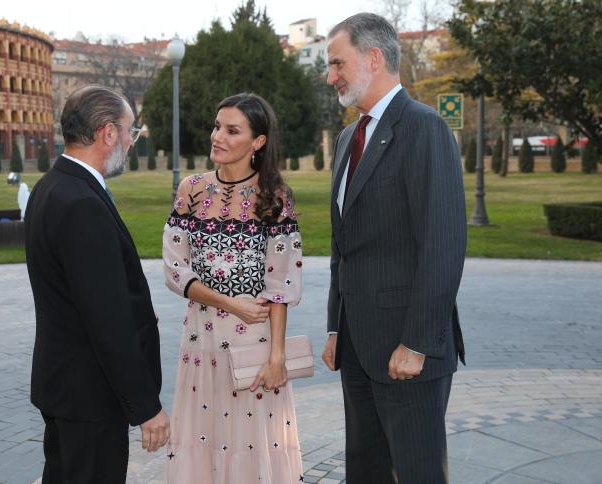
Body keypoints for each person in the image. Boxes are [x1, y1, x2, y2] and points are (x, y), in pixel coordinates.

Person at [321, 13, 467, 484]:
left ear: (374, 57)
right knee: (365, 473)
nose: (331, 76)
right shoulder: (347, 138)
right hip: (358, 348)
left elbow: (443, 243)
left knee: (418, 473)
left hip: (408, 351)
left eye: (337, 63)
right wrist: (334, 326)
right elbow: (344, 245)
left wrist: (418, 342)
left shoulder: (424, 128)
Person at [25, 85, 169, 483]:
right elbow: (108, 321)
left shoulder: (51, 186)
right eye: (129, 132)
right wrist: (145, 407)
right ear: (107, 133)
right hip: (90, 396)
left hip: (67, 388)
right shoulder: (82, 203)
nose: (130, 141)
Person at [163, 93, 304, 483]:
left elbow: (282, 283)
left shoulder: (275, 197)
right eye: (216, 126)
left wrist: (277, 357)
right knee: (202, 437)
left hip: (253, 346)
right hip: (200, 342)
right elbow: (175, 270)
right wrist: (230, 303)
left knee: (252, 442)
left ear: (257, 142)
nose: (217, 137)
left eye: (231, 130)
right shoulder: (191, 190)